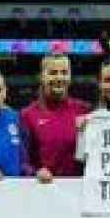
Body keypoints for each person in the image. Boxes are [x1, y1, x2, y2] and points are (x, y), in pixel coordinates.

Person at [20, 53, 92, 182]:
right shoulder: (28, 115)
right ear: (42, 77)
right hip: (43, 192)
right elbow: (22, 160)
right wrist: (35, 172)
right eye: (53, 72)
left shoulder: (84, 111)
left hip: (77, 193)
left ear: (70, 77)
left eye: (64, 72)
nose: (59, 77)